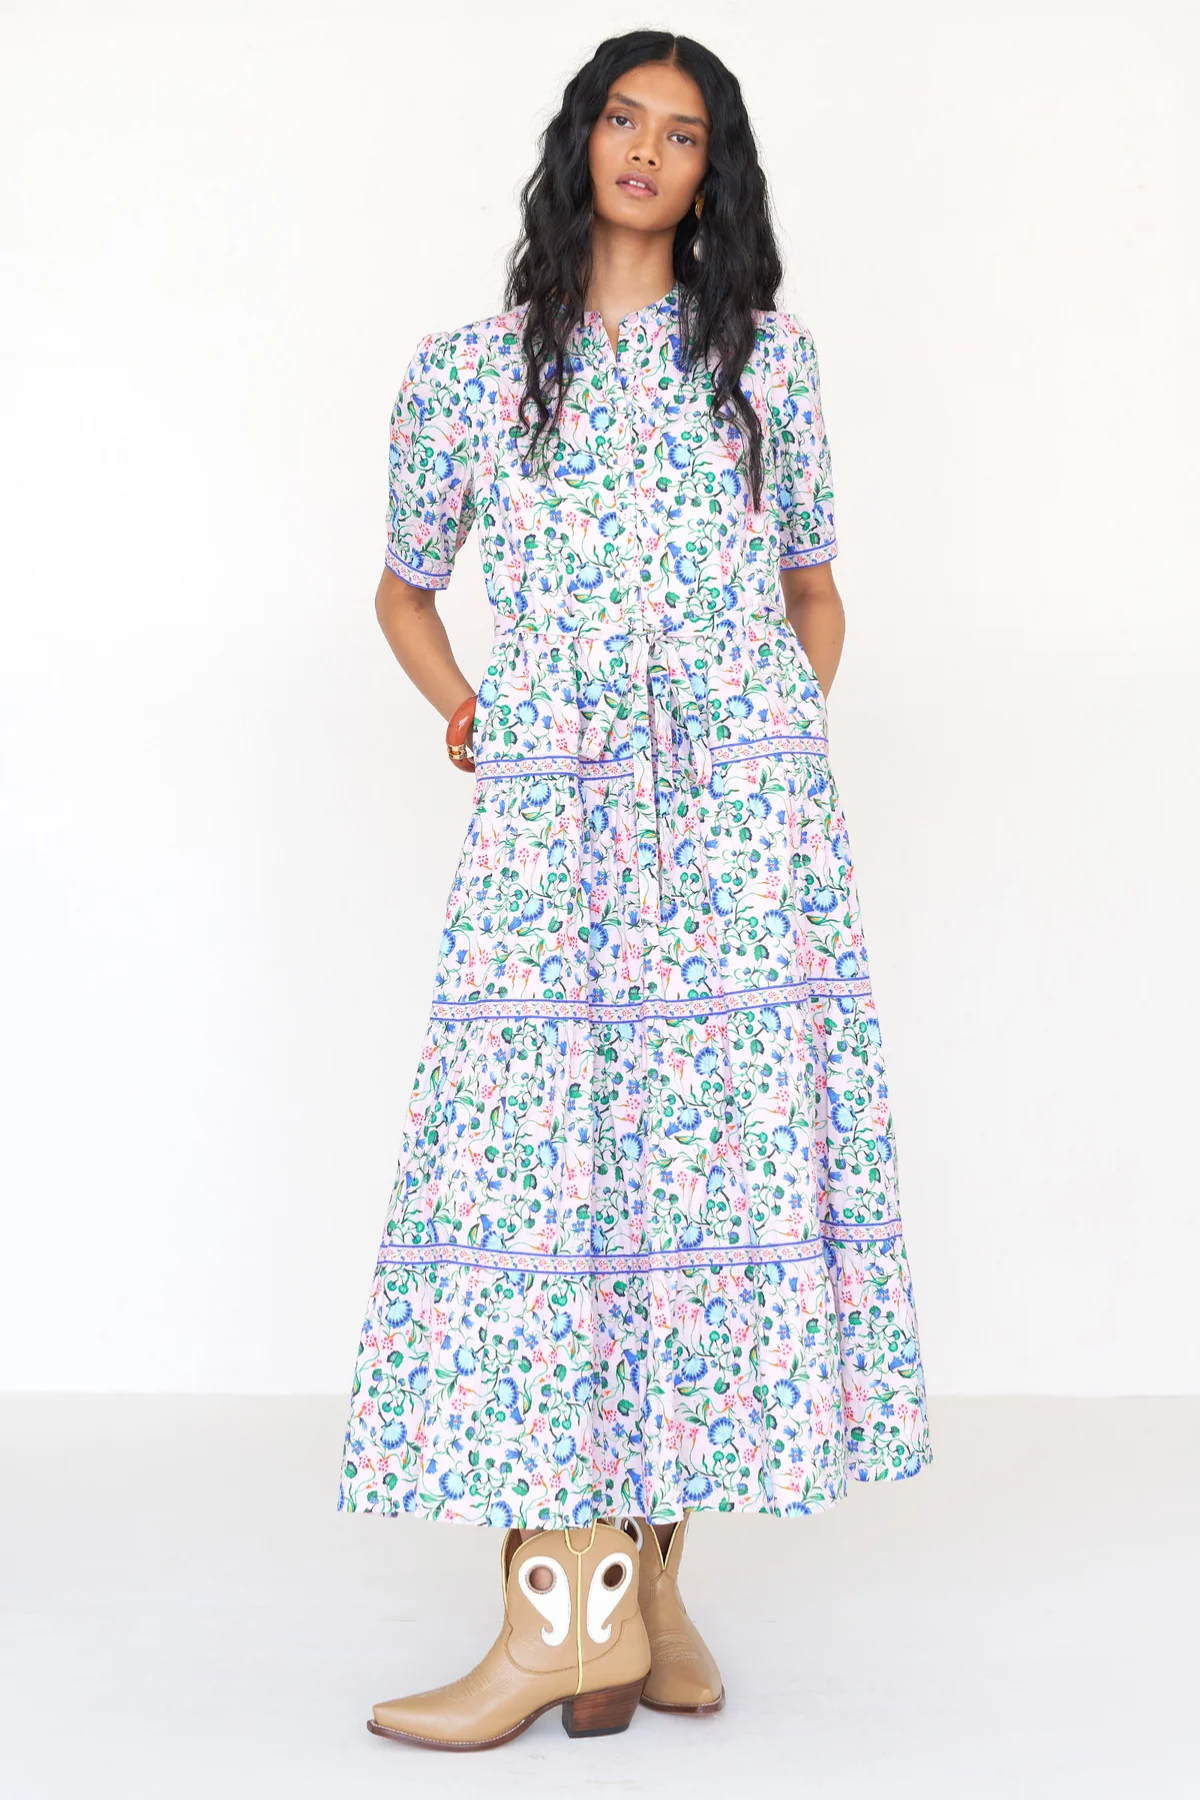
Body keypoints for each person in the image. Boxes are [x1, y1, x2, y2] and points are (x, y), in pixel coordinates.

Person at [338, 28, 932, 1751]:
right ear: (582, 141)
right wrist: (474, 708)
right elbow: (400, 589)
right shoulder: (470, 373)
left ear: (712, 172)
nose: (647, 153)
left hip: (738, 839)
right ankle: (559, 1625)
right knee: (542, 1173)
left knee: (699, 1172)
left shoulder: (769, 368)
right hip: (554, 821)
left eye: (682, 134)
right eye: (623, 119)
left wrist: (760, 752)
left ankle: (647, 1592)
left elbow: (817, 595)